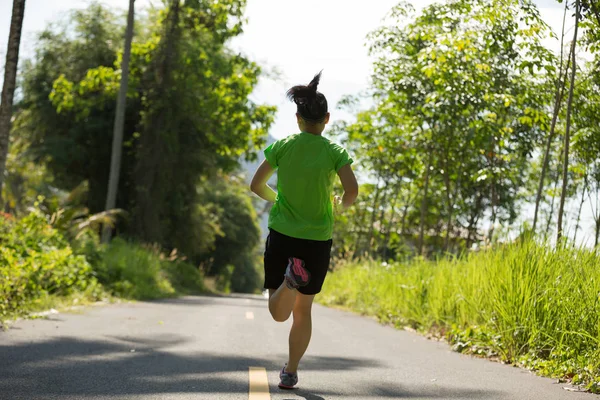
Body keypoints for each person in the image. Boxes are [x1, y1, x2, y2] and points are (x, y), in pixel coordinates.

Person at [250, 71, 359, 390]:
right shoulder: (334, 152)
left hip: (283, 233)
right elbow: (351, 190)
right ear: (326, 119)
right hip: (317, 240)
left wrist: (279, 197)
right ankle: (291, 370)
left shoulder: (283, 146)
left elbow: (256, 185)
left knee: (278, 313)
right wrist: (340, 205)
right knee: (303, 311)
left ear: (298, 119)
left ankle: (288, 281)